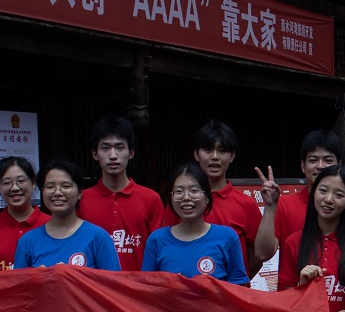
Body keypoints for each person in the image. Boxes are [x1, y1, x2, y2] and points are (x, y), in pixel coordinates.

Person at [253, 129, 345, 265]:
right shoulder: (284, 205)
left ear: (339, 164)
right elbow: (262, 253)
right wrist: (270, 207)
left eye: (327, 160)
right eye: (313, 160)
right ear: (303, 166)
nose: (320, 166)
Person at [164, 120, 265, 277]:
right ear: (196, 154)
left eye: (222, 151)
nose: (215, 157)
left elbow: (257, 256)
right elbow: (166, 246)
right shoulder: (181, 202)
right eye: (208, 150)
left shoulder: (246, 204)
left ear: (232, 156)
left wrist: (232, 280)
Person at [280, 165, 345, 312]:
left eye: (338, 195)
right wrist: (302, 285)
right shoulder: (293, 242)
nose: (328, 199)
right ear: (313, 193)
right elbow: (286, 300)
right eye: (323, 191)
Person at [76, 115, 163, 272]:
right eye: (105, 148)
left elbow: (160, 250)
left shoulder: (151, 199)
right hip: (94, 285)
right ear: (95, 154)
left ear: (131, 153)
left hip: (138, 285)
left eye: (120, 147)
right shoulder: (82, 200)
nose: (113, 155)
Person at [142, 163, 248, 284]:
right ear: (171, 198)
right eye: (179, 191)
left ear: (207, 197)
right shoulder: (156, 240)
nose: (186, 197)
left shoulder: (227, 237)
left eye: (194, 190)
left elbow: (239, 288)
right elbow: (146, 287)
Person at [13, 160, 120, 271]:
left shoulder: (98, 237)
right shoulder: (27, 241)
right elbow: (18, 281)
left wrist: (72, 275)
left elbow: (113, 281)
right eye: (50, 187)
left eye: (66, 186)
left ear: (80, 193)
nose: (57, 193)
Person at [0, 156, 50, 270]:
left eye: (21, 181)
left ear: (33, 183)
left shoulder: (50, 223)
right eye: (7, 183)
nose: (15, 188)